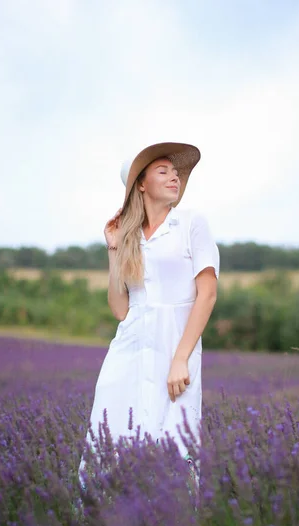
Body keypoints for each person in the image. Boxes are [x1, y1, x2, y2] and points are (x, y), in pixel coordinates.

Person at [79, 142, 219, 482]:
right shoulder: (128, 238)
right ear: (141, 183)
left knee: (175, 441)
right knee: (111, 436)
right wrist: (113, 249)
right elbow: (120, 309)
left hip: (176, 348)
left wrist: (180, 358)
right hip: (128, 350)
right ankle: (103, 525)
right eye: (163, 171)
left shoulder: (191, 223)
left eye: (176, 172)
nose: (174, 177)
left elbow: (208, 294)